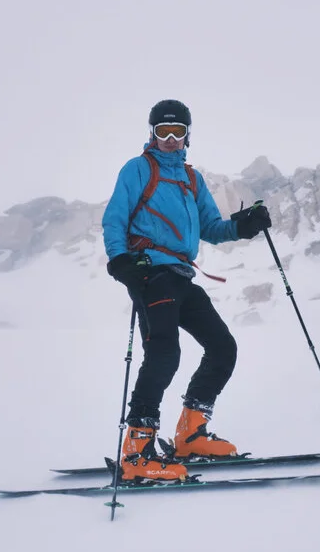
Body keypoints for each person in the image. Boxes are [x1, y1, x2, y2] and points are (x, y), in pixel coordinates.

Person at [102, 99, 272, 483]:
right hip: (150, 274)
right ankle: (137, 452)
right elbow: (114, 220)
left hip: (181, 275)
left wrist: (244, 225)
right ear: (152, 133)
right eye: (162, 131)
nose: (170, 138)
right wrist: (121, 262)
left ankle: (190, 435)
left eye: (177, 131)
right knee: (164, 354)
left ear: (187, 135)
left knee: (222, 347)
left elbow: (211, 227)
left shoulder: (192, 179)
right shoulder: (137, 169)